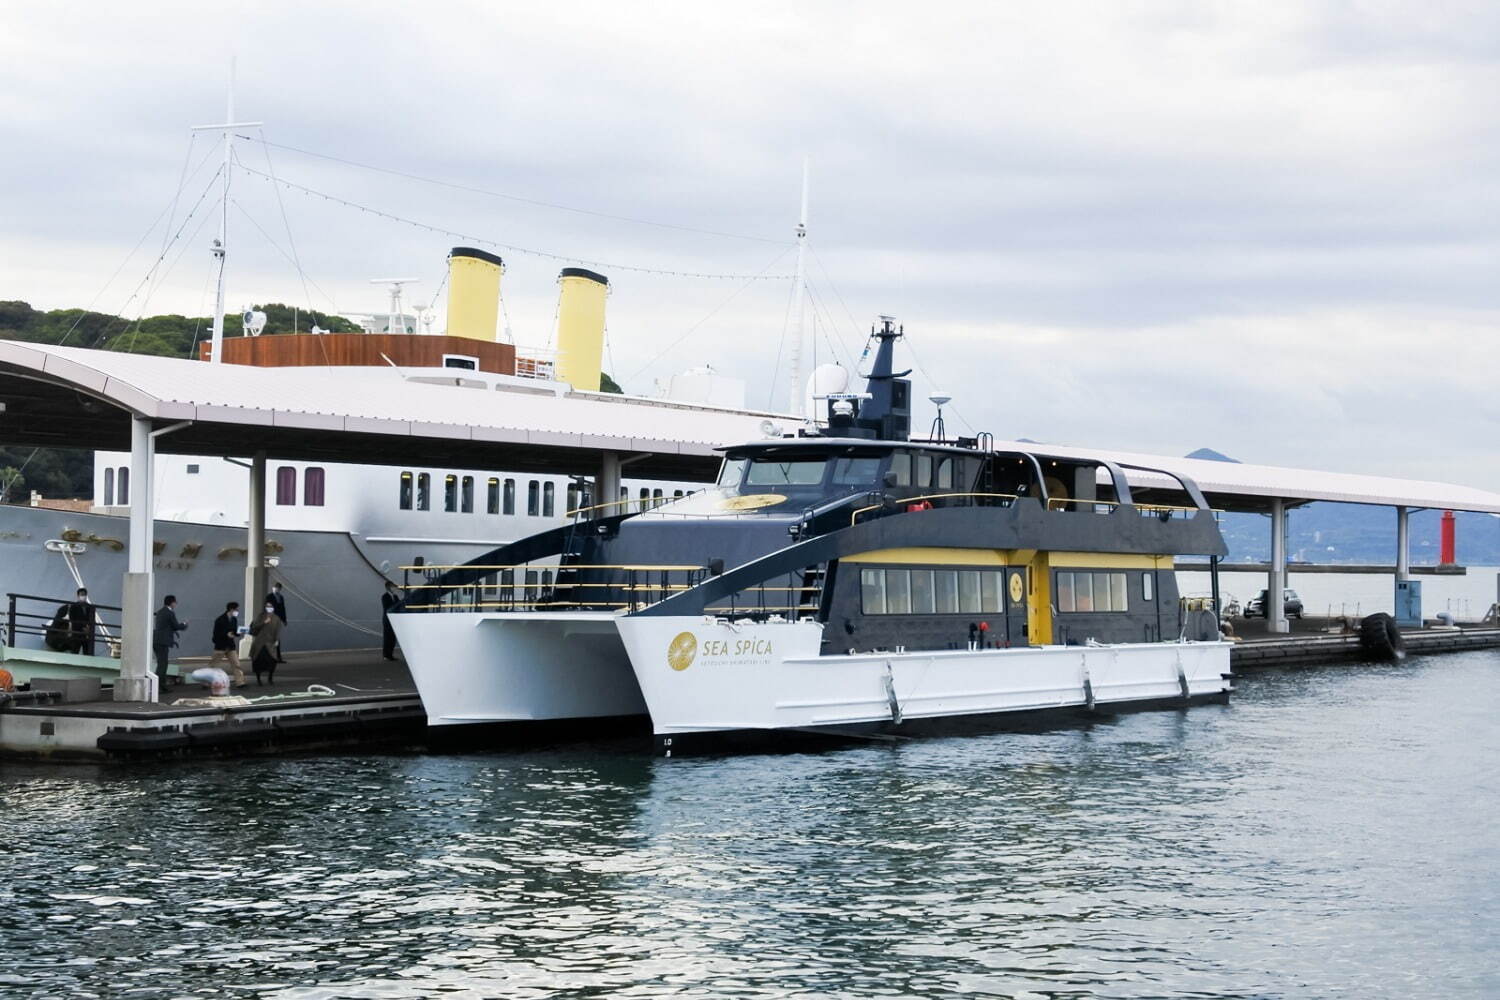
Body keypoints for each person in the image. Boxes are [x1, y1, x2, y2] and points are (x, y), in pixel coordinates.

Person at [152, 595, 188, 693]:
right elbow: (176, 626)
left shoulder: (160, 612)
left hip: (156, 640)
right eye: (175, 602)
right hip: (163, 641)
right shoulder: (170, 613)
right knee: (163, 665)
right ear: (172, 603)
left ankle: (158, 685)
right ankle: (160, 687)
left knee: (161, 663)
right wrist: (184, 624)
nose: (176, 604)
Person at [209, 601, 246, 688]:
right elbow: (215, 634)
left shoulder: (234, 619)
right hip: (221, 645)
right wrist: (226, 634)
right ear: (231, 609)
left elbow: (234, 630)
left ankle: (240, 682)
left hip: (230, 645)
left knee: (236, 664)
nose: (237, 611)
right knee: (213, 664)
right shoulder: (219, 620)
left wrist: (239, 633)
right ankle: (206, 682)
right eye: (236, 610)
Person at [248, 600, 284, 685]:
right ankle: (258, 679)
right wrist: (264, 622)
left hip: (270, 643)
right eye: (267, 606)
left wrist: (277, 640)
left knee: (272, 660)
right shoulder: (261, 616)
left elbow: (278, 630)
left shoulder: (276, 618)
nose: (269, 608)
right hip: (259, 642)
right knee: (258, 661)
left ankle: (270, 678)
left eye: (271, 606)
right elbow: (254, 627)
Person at [68, 587, 96, 656]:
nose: (83, 596)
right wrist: (83, 628)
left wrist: (89, 628)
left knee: (87, 653)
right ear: (78, 596)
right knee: (74, 652)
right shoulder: (73, 607)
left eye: (84, 594)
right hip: (77, 633)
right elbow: (72, 619)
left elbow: (93, 620)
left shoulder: (91, 607)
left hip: (87, 635)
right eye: (81, 594)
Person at [265, 582, 288, 663]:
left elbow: (283, 609)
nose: (276, 589)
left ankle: (278, 657)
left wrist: (284, 620)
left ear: (280, 589)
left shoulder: (281, 597)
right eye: (275, 587)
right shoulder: (269, 597)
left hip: (278, 620)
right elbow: (267, 608)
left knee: (277, 638)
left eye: (278, 588)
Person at [380, 581, 402, 661]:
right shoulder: (384, 596)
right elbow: (387, 607)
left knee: (392, 638)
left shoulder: (395, 596)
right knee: (387, 637)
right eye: (393, 586)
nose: (394, 588)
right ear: (388, 587)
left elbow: (399, 605)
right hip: (387, 619)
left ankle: (390, 654)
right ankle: (386, 655)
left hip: (394, 619)